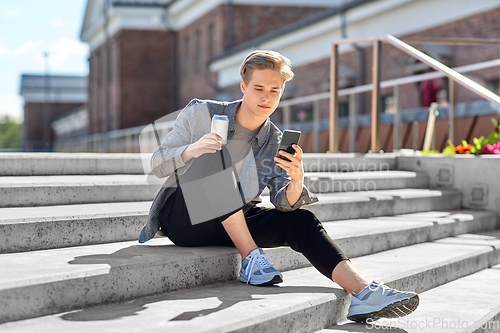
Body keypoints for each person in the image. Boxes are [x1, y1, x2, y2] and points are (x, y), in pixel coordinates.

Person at [139, 50, 419, 323]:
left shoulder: (275, 140)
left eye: (274, 90)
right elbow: (157, 163)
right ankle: (250, 259)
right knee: (215, 152)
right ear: (243, 86)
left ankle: (364, 293)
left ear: (282, 92)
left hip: (232, 219)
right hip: (184, 217)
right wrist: (194, 149)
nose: (265, 97)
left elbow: (284, 202)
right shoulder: (203, 112)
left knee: (302, 220)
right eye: (258, 88)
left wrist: (297, 179)